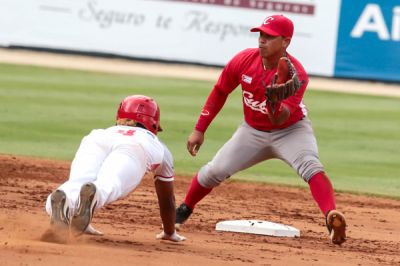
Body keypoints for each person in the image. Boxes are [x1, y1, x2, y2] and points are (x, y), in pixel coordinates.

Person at [175, 14, 347, 245]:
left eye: (269, 36)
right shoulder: (244, 60)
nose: (262, 40)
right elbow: (220, 91)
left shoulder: (298, 74)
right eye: (261, 34)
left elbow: (280, 119)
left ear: (285, 41)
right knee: (213, 171)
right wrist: (199, 128)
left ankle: (331, 217)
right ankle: (184, 209)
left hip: (291, 130)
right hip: (252, 130)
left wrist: (275, 104)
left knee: (311, 166)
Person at [45, 95, 185, 242]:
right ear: (154, 123)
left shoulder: (105, 131)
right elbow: (167, 199)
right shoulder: (157, 145)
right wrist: (169, 232)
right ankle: (96, 195)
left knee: (77, 183)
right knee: (110, 183)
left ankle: (64, 201)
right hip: (136, 146)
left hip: (96, 140)